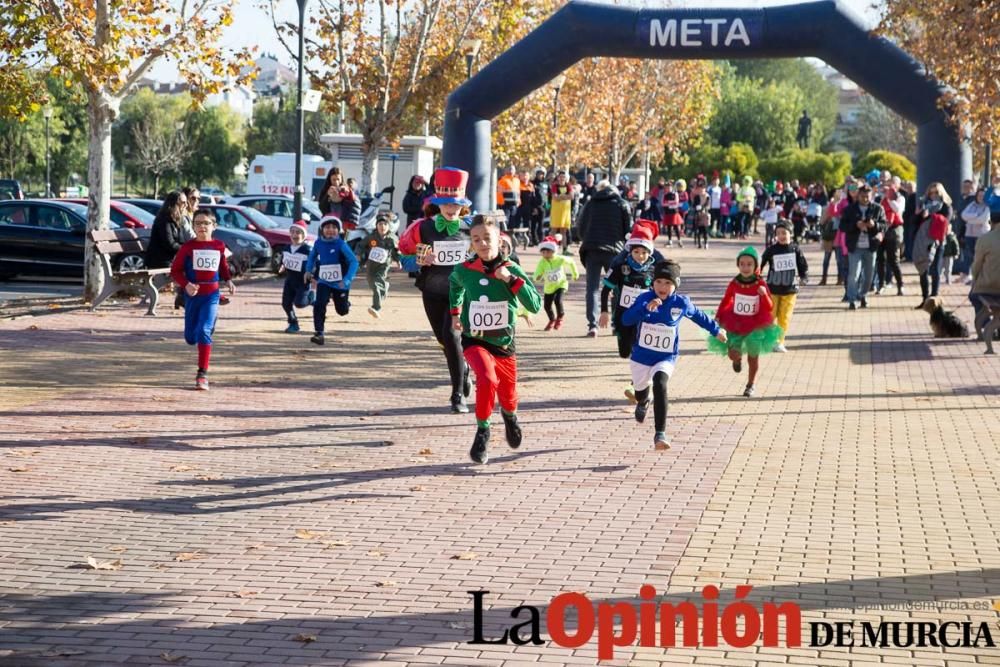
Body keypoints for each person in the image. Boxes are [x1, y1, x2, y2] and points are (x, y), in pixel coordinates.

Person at [449, 213, 541, 464]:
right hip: (474, 339)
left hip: (503, 343)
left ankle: (510, 418)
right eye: (476, 239)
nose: (482, 244)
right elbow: (455, 285)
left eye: (487, 238)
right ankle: (483, 430)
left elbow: (534, 305)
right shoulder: (465, 269)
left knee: (508, 396)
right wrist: (456, 312)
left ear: (499, 239)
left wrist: (510, 280)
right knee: (487, 379)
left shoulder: (511, 268)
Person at [621, 260, 726, 450]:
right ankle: (643, 401)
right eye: (659, 282)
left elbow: (699, 316)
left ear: (676, 285)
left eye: (668, 283)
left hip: (666, 356)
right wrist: (645, 309)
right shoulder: (644, 298)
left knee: (660, 383)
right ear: (652, 282)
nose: (662, 287)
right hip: (641, 357)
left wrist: (716, 330)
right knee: (640, 392)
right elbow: (626, 319)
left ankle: (660, 434)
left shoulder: (681, 302)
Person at [399, 167, 473, 413]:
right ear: (438, 203)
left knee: (452, 336)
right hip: (432, 291)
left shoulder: (471, 227)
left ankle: (457, 395)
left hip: (461, 294)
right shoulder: (422, 227)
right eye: (446, 204)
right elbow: (404, 257)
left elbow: (492, 251)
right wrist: (421, 259)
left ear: (462, 205)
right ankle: (463, 371)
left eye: (455, 205)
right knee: (444, 340)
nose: (451, 209)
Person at [169, 210, 235, 390]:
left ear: (214, 226)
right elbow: (175, 271)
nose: (201, 227)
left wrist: (228, 280)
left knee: (204, 331)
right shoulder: (188, 247)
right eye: (197, 223)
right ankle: (205, 325)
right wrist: (186, 284)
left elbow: (222, 266)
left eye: (206, 223)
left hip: (211, 295)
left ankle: (202, 374)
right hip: (193, 296)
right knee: (191, 337)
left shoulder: (219, 246)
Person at [707, 246, 783, 397]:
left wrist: (764, 296)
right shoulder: (735, 282)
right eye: (742, 264)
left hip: (755, 324)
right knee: (732, 353)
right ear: (738, 265)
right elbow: (726, 299)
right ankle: (737, 359)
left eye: (749, 264)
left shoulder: (760, 283)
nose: (745, 267)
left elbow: (770, 306)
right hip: (735, 321)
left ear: (756, 266)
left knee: (753, 356)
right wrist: (718, 316)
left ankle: (751, 384)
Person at [599, 221, 658, 403]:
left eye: (644, 252)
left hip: (645, 318)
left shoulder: (654, 269)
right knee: (625, 351)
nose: (640, 256)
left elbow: (663, 291)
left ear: (649, 253)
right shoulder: (620, 266)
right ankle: (638, 383)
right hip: (624, 315)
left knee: (639, 352)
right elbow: (605, 290)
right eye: (636, 252)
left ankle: (636, 386)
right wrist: (604, 311)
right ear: (630, 251)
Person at [578, 179, 632, 337]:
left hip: (592, 249)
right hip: (614, 251)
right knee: (616, 287)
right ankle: (616, 324)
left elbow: (580, 227)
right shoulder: (622, 203)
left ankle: (592, 325)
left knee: (592, 289)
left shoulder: (590, 203)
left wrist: (587, 239)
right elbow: (628, 230)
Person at [303, 215, 359, 345]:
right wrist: (308, 270)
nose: (330, 230)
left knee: (342, 311)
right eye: (327, 227)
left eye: (334, 227)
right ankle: (319, 333)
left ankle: (346, 305)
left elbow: (354, 262)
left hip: (340, 283)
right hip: (324, 280)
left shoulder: (341, 244)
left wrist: (346, 280)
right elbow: (312, 257)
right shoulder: (318, 243)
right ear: (322, 229)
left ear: (338, 230)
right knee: (319, 304)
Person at [759, 221, 808, 352]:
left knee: (784, 317)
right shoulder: (772, 249)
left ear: (790, 234)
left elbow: (802, 265)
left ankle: (779, 342)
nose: (781, 236)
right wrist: (757, 274)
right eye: (778, 233)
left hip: (790, 290)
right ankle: (768, 340)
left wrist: (804, 277)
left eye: (784, 233)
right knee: (770, 315)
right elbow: (761, 262)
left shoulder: (795, 249)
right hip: (773, 289)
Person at [840, 183, 887, 310]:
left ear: (871, 196)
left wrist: (874, 225)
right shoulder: (850, 209)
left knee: (869, 275)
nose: (865, 199)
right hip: (854, 247)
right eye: (862, 196)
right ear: (858, 196)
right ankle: (852, 299)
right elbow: (842, 226)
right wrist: (856, 225)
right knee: (853, 274)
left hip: (871, 246)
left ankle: (863, 295)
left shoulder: (878, 209)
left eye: (867, 196)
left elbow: (884, 225)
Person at [912, 182, 952, 309]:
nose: (933, 195)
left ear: (941, 193)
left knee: (935, 270)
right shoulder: (923, 205)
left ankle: (934, 299)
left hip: (938, 241)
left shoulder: (945, 206)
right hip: (923, 241)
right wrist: (919, 214)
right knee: (923, 269)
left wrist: (930, 215)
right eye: (931, 192)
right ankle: (925, 299)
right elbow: (913, 222)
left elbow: (946, 221)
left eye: (936, 192)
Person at [532, 235, 579, 330]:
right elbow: (537, 272)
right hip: (549, 287)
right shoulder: (542, 262)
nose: (545, 254)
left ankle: (560, 316)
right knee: (546, 306)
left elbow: (571, 262)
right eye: (543, 252)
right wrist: (537, 277)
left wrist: (575, 274)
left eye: (548, 252)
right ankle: (552, 319)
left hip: (561, 284)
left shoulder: (560, 259)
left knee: (558, 300)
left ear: (553, 251)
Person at [357, 211, 399, 318]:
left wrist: (398, 260)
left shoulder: (392, 238)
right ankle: (385, 286)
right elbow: (361, 245)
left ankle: (376, 307)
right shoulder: (372, 237)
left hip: (384, 265)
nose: (382, 226)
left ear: (389, 226)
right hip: (371, 265)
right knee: (372, 283)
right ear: (376, 226)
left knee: (376, 285)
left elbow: (396, 251)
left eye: (385, 224)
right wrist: (358, 254)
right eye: (380, 224)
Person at [277, 220, 314, 333]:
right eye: (292, 232)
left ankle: (312, 298)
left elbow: (315, 263)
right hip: (290, 280)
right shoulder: (287, 248)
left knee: (299, 304)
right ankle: (293, 323)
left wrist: (312, 274)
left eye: (298, 233)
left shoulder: (307, 250)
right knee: (285, 303)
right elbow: (284, 259)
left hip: (303, 281)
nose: (294, 235)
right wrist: (282, 266)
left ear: (303, 236)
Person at [969, 209, 1000, 331]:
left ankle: (987, 324)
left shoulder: (984, 239)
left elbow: (977, 265)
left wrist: (974, 280)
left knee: (973, 296)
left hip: (989, 286)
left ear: (991, 222)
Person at [876, 185, 906, 295]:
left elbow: (897, 209)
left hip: (894, 230)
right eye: (883, 190)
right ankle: (881, 284)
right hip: (881, 229)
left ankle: (900, 284)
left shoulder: (899, 198)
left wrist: (889, 198)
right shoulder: (878, 199)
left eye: (886, 190)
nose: (884, 191)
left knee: (893, 259)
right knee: (880, 259)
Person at [958, 188, 991, 285]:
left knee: (980, 258)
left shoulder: (987, 206)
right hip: (970, 235)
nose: (981, 197)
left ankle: (981, 278)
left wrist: (971, 219)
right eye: (979, 195)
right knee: (970, 257)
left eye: (983, 196)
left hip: (982, 235)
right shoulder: (971, 205)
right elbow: (963, 215)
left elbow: (983, 219)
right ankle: (971, 277)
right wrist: (976, 215)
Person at [549, 172, 573, 254]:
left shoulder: (568, 185)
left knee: (564, 231)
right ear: (558, 178)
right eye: (560, 177)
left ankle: (565, 249)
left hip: (565, 211)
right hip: (556, 211)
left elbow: (571, 196)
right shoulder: (555, 186)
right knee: (554, 230)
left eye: (564, 177)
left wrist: (561, 197)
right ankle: (551, 248)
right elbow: (554, 197)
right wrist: (565, 197)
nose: (562, 178)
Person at [660, 180, 684, 247]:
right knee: (669, 227)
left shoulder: (675, 194)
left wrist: (668, 203)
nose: (668, 188)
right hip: (668, 213)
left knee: (676, 227)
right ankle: (670, 240)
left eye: (669, 187)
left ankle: (679, 240)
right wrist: (670, 203)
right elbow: (663, 203)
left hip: (674, 213)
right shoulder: (665, 195)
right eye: (667, 187)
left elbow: (676, 202)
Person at [497, 165, 520, 230]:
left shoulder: (517, 180)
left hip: (514, 205)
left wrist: (519, 202)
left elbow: (518, 192)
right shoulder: (502, 180)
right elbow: (499, 193)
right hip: (505, 205)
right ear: (505, 171)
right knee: (505, 222)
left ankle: (510, 237)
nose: (511, 171)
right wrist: (501, 202)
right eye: (509, 169)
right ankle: (504, 235)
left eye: (512, 169)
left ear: (515, 171)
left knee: (512, 222)